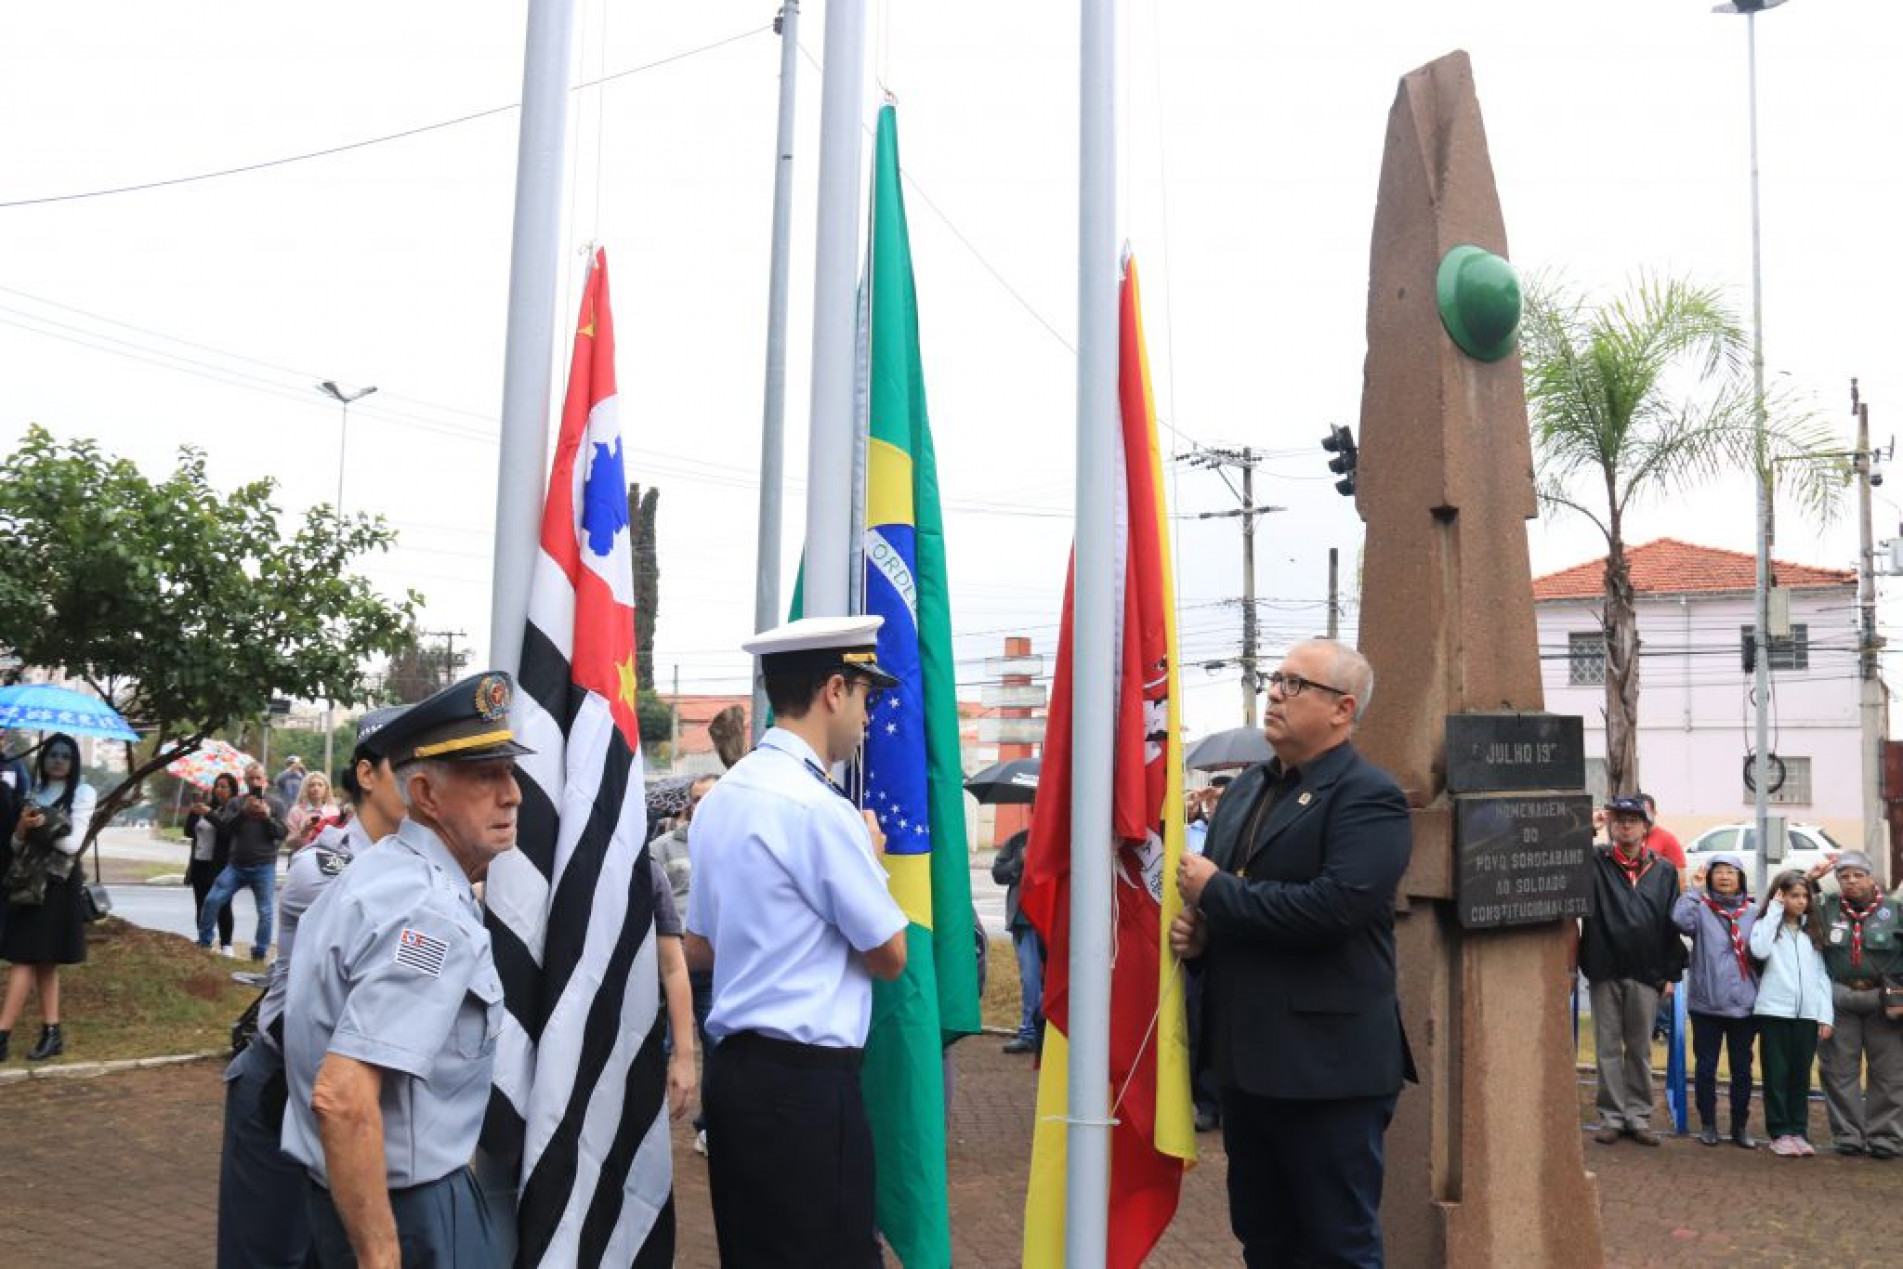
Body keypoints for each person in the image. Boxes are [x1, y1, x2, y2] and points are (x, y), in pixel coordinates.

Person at [1171, 639, 1413, 1269]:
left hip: (1327, 1071)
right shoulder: (1249, 787)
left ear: (1343, 709)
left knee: (1336, 1245)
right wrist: (1202, 939)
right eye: (1276, 678)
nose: (1276, 692)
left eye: (1295, 684)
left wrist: (1218, 894)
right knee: (1265, 1237)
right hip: (1246, 1064)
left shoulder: (1369, 796)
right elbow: (1230, 903)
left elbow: (1336, 908)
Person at [280, 672, 530, 1267]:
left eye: (510, 771)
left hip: (354, 1194)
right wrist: (382, 1255)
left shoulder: (383, 871)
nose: (512, 793)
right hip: (410, 1212)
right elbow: (342, 1096)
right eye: (485, 775)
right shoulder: (428, 911)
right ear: (425, 792)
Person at [684, 616, 909, 1268]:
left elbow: (702, 943)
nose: (867, 716)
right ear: (833, 689)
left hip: (738, 1076)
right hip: (806, 1088)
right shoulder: (820, 810)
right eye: (866, 696)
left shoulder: (724, 797)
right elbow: (888, 954)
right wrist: (871, 857)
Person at [217, 708, 407, 1269]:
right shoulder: (323, 864)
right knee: (269, 1250)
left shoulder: (416, 864)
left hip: (358, 1094)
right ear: (367, 776)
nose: (426, 782)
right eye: (409, 767)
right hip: (281, 1086)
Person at [1576, 795, 1686, 1147]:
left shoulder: (1664, 870)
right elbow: (1561, 860)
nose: (1626, 826)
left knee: (1639, 1048)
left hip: (1647, 971)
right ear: (1610, 824)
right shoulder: (1594, 860)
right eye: (1620, 819)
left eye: (1633, 820)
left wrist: (1671, 973)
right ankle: (1610, 1116)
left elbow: (1673, 924)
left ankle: (1638, 1116)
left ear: (1646, 826)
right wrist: (1586, 828)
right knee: (1607, 1047)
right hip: (1604, 967)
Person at [0, 734, 97, 1062]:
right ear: (42, 758)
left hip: (57, 886)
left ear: (74, 761)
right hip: (28, 885)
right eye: (52, 754)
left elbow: (73, 846)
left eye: (65, 756)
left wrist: (41, 827)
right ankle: (51, 1032)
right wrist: (23, 830)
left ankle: (2, 1034)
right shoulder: (33, 792)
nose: (58, 760)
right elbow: (16, 848)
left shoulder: (83, 793)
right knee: (41, 962)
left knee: (25, 959)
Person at [1807, 849, 1902, 1159]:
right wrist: (1810, 879)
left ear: (1870, 878)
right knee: (1838, 1070)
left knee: (1888, 1073)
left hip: (1882, 1000)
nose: (1851, 882)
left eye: (1857, 875)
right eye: (1844, 877)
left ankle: (1884, 1137)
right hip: (1840, 997)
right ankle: (1848, 1134)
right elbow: (1791, 903)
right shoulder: (1826, 908)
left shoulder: (1894, 910)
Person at [649, 772, 719, 1153]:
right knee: (658, 1047)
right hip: (669, 965)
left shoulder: (731, 847)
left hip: (711, 969)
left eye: (710, 798)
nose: (701, 806)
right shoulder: (660, 849)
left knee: (716, 1046)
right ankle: (649, 1122)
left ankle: (710, 1126)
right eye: (696, 799)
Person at [1671, 854, 1760, 1148]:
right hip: (1706, 1003)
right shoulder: (1700, 909)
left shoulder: (1753, 912)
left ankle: (1739, 1126)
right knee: (1706, 1067)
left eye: (1731, 872)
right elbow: (1679, 921)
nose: (1724, 877)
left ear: (1740, 878)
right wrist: (1694, 891)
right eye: (1718, 872)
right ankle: (1708, 1123)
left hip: (1744, 1004)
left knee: (1742, 1069)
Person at [1749, 869, 1835, 1157]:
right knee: (1777, 1074)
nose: (1800, 901)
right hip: (1775, 1012)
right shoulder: (1768, 926)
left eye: (1804, 896)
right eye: (1793, 896)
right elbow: (1759, 951)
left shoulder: (1812, 931)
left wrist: (1825, 1015)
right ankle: (1779, 1132)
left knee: (1800, 1075)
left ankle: (1798, 1130)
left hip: (1807, 1016)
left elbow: (1822, 975)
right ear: (1780, 896)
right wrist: (1774, 909)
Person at [197, 762, 288, 961]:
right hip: (236, 865)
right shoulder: (236, 803)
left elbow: (282, 833)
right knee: (212, 900)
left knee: (265, 911)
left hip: (264, 865)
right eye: (251, 778)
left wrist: (267, 817)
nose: (255, 782)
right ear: (245, 781)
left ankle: (260, 951)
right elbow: (227, 830)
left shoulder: (276, 804)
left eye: (258, 778)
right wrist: (243, 813)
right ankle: (204, 941)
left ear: (265, 780)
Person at [989, 826, 1042, 1055]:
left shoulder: (1063, 834)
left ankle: (1048, 1033)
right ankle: (1029, 1032)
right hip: (1024, 920)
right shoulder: (1017, 840)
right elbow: (998, 873)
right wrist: (1020, 862)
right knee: (1030, 978)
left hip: (1055, 920)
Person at [184, 773, 240, 956]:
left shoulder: (232, 810)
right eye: (217, 786)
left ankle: (226, 945)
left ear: (232, 790)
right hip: (199, 861)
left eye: (224, 787)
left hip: (219, 864)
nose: (219, 790)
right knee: (201, 904)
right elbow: (188, 832)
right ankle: (204, 941)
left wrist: (208, 814)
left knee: (222, 904)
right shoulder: (207, 808)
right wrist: (194, 812)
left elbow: (227, 832)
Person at [285, 771, 340, 851]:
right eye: (312, 785)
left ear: (326, 789)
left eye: (320, 785)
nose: (316, 788)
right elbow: (288, 843)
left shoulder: (334, 811)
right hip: (302, 857)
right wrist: (304, 831)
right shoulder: (296, 811)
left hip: (326, 857)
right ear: (306, 789)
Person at [1636, 791, 1686, 876]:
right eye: (1638, 813)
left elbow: (1680, 878)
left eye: (1645, 812)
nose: (1642, 817)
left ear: (1654, 813)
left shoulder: (1668, 840)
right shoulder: (1628, 838)